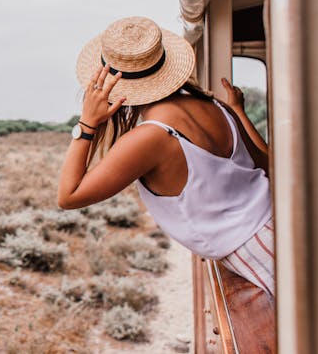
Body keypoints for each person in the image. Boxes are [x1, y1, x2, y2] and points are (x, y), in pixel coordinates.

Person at [57, 16, 274, 296]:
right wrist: (239, 112)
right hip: (281, 219)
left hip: (256, 248)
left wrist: (87, 124)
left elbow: (69, 196)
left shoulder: (150, 137)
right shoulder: (216, 106)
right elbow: (267, 164)